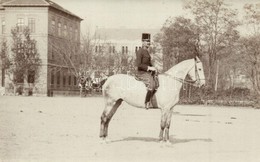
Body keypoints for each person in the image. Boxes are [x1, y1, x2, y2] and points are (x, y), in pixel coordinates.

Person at [136, 41, 157, 109]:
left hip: (147, 72)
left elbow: (148, 63)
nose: (149, 43)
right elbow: (139, 64)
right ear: (143, 43)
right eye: (147, 42)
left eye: (149, 42)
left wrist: (154, 68)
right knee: (151, 84)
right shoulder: (140, 51)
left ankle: (152, 99)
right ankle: (147, 102)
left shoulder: (147, 51)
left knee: (157, 82)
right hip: (141, 72)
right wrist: (149, 68)